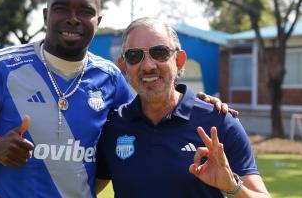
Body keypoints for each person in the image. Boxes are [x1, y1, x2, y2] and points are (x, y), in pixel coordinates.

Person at [0, 0, 232, 198]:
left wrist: (196, 102)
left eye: (85, 11)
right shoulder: (0, 66)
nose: (72, 19)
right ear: (46, 15)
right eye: (61, 9)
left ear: (98, 19)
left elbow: (147, 120)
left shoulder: (110, 79)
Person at [95, 17, 271, 198]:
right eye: (134, 56)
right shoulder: (113, 126)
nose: (148, 65)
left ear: (179, 60)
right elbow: (79, 188)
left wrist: (233, 186)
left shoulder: (219, 122)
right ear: (123, 66)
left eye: (159, 53)